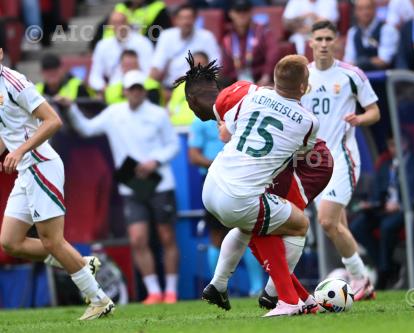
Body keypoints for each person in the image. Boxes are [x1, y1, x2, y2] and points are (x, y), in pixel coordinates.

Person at [176, 53, 332, 316]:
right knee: (298, 225)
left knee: (251, 225)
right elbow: (302, 152)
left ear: (273, 79)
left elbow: (228, 130)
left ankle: (219, 284)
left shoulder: (252, 95)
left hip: (213, 183)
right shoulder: (309, 122)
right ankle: (283, 297)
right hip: (240, 195)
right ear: (304, 87)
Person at [0, 48, 115, 320]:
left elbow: (53, 121)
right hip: (26, 171)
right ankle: (81, 263)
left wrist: (18, 152)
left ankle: (99, 300)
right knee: (10, 242)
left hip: (41, 165)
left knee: (52, 241)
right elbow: (10, 132)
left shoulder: (14, 81)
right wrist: (8, 150)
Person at [62, 70, 181, 304]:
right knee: (138, 238)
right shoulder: (114, 113)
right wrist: (70, 109)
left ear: (144, 91)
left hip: (161, 182)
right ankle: (154, 291)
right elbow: (86, 129)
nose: (135, 92)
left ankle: (172, 291)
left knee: (166, 236)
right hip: (131, 184)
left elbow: (173, 145)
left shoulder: (157, 114)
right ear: (125, 91)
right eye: (132, 88)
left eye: (139, 88)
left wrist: (154, 160)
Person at [298, 20, 380, 301]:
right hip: (314, 164)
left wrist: (359, 118)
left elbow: (374, 111)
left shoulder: (351, 74)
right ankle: (362, 278)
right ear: (310, 42)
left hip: (343, 158)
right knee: (338, 227)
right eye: (318, 38)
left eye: (328, 39)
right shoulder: (302, 76)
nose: (323, 44)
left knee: (326, 222)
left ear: (336, 42)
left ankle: (360, 278)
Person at [188, 117, 264, 296]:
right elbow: (193, 155)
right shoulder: (200, 121)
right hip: (212, 181)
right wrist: (220, 165)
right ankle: (218, 288)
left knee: (247, 230)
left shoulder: (242, 114)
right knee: (216, 234)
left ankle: (257, 288)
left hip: (242, 178)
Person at [350, 133, 414, 289]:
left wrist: (400, 204)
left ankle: (384, 271)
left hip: (407, 210)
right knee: (357, 226)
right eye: (391, 145)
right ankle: (387, 266)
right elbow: (377, 191)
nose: (394, 148)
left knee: (387, 227)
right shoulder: (385, 165)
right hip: (383, 209)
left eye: (397, 144)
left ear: (406, 143)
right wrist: (371, 204)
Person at [150, 4, 220, 98]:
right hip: (171, 89)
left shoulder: (207, 37)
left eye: (189, 18)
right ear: (176, 20)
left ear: (195, 19)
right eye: (182, 18)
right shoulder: (166, 36)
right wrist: (157, 90)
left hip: (197, 88)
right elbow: (157, 66)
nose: (186, 22)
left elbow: (216, 68)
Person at [89, 11, 154, 94]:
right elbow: (94, 76)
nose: (119, 26)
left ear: (128, 23)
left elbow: (149, 72)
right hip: (113, 90)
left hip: (138, 88)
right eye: (114, 23)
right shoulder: (102, 45)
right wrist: (104, 88)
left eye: (121, 22)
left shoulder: (143, 43)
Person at [220, 0, 280, 86]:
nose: (242, 14)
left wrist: (266, 75)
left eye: (245, 11)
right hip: (237, 82)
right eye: (238, 11)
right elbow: (226, 68)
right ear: (231, 13)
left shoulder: (262, 32)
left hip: (260, 80)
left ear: (251, 12)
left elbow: (273, 53)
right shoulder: (228, 39)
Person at [343, 0, 399, 71]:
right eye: (360, 9)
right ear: (355, 12)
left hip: (382, 78)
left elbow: (384, 60)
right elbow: (348, 61)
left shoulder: (387, 29)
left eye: (368, 8)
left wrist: (361, 62)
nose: (365, 12)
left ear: (375, 9)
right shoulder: (353, 32)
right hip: (360, 78)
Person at [90, 0, 171, 49]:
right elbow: (102, 27)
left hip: (140, 51)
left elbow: (162, 35)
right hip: (111, 50)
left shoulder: (157, 8)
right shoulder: (120, 7)